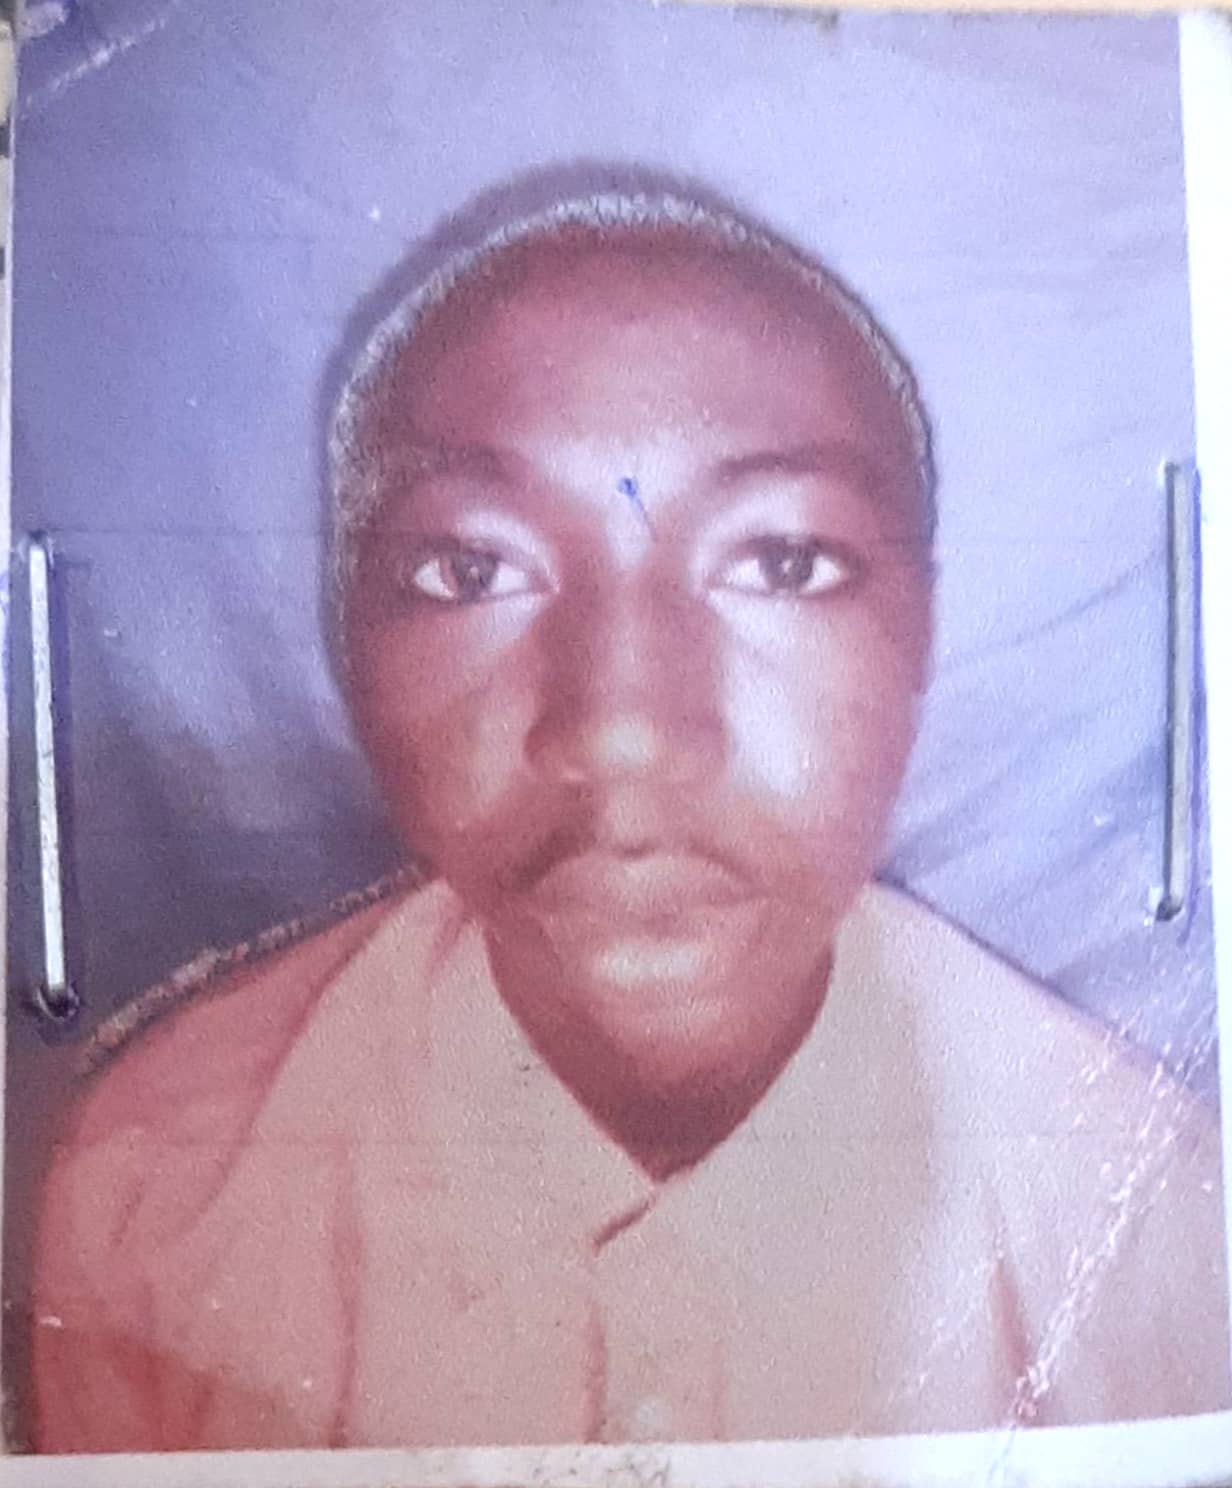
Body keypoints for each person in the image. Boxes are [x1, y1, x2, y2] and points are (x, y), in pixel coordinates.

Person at [29, 191, 1230, 1454]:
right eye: (472, 570)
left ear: (922, 633)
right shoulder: (152, 1201)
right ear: (346, 636)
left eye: (781, 562)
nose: (621, 733)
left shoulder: (1142, 1225)